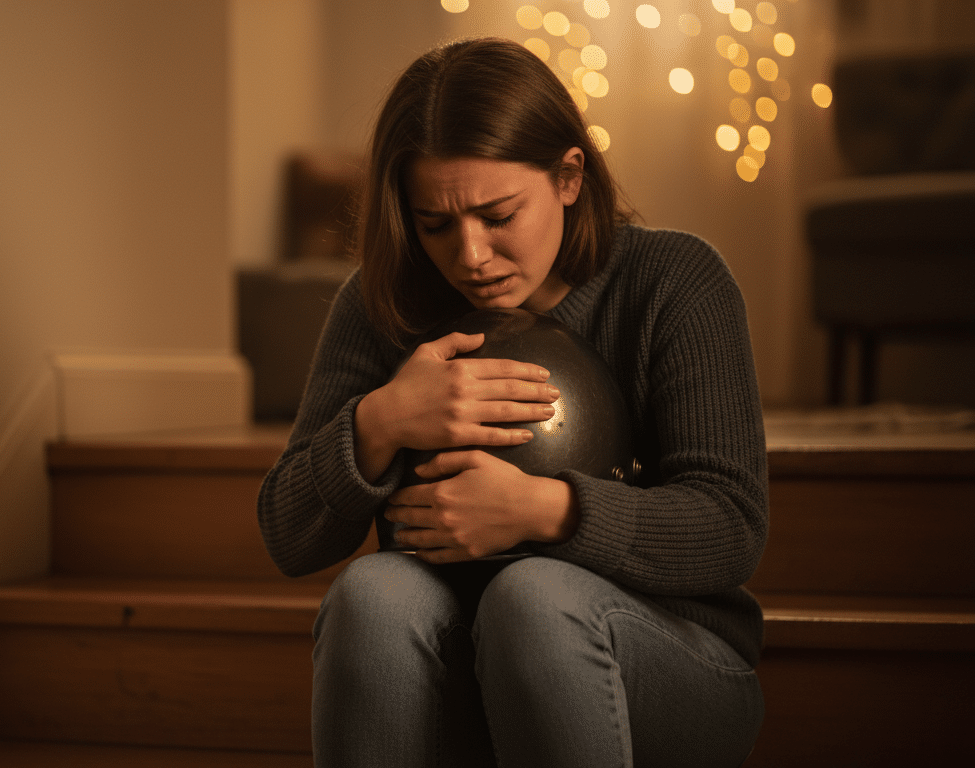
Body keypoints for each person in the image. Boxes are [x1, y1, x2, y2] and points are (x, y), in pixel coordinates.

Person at [256, 37, 767, 768]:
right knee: (372, 593)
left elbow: (731, 528)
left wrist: (539, 511)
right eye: (435, 223)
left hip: (666, 657)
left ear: (568, 176)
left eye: (498, 216)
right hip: (459, 654)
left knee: (531, 598)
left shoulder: (674, 282)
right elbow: (288, 535)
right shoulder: (381, 304)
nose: (469, 256)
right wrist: (382, 420)